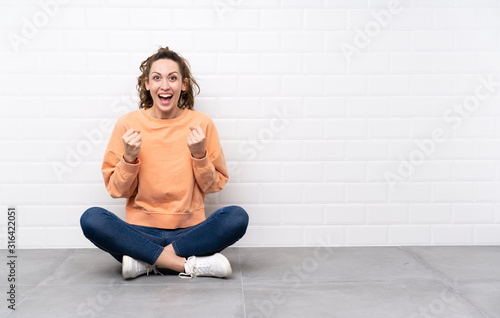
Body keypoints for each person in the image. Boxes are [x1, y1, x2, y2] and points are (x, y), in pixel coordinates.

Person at [80, 46, 249, 280]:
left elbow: (214, 186)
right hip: (139, 232)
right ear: (147, 84)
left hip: (189, 234)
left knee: (237, 217)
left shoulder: (202, 124)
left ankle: (147, 262)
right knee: (92, 219)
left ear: (184, 84)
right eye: (157, 78)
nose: (165, 85)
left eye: (173, 78)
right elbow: (116, 190)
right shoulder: (126, 124)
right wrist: (129, 158)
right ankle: (186, 265)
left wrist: (200, 155)